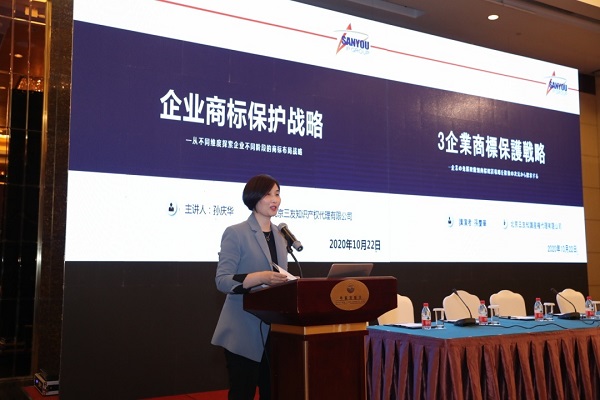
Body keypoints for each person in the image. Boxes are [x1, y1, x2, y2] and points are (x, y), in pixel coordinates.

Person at [212, 174, 290, 400]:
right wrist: (260, 277)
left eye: (277, 194)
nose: (275, 199)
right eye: (268, 194)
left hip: (274, 333)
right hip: (242, 330)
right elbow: (222, 280)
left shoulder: (280, 237)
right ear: (254, 197)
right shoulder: (236, 233)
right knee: (242, 393)